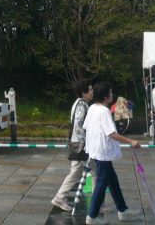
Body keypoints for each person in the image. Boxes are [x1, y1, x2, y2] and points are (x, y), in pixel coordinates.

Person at [83, 81, 142, 224]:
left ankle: (123, 210)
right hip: (102, 152)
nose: (112, 95)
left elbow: (86, 126)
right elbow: (111, 133)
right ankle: (92, 217)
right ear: (105, 96)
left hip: (96, 150)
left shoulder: (92, 108)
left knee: (112, 181)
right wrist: (131, 141)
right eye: (110, 92)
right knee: (102, 183)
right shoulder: (104, 111)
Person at [51, 78, 93, 211]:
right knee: (95, 171)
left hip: (76, 142)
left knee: (76, 172)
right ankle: (97, 204)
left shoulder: (78, 103)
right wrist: (86, 140)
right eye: (90, 89)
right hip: (80, 143)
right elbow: (78, 124)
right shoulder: (82, 104)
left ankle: (60, 197)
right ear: (83, 92)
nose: (92, 92)